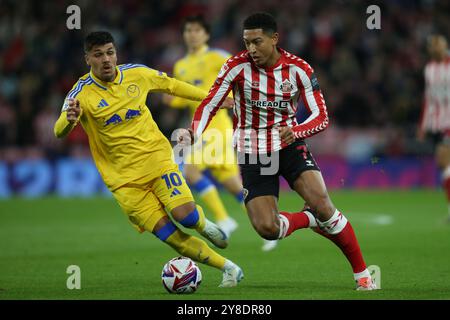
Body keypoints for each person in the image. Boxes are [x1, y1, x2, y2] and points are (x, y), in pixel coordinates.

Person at [182, 12, 377, 290]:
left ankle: (363, 275)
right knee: (268, 229)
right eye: (246, 42)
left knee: (325, 206)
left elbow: (321, 116)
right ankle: (309, 219)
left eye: (257, 42)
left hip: (289, 146)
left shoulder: (299, 69)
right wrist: (195, 132)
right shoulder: (235, 66)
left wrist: (296, 131)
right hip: (252, 152)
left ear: (274, 39)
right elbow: (210, 103)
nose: (251, 49)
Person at [53, 31, 243, 288]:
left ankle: (203, 223)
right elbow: (59, 131)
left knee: (185, 217)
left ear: (116, 53)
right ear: (88, 59)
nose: (106, 59)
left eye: (110, 52)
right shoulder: (81, 93)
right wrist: (70, 118)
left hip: (157, 161)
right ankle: (229, 268)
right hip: (124, 183)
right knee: (171, 237)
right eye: (98, 55)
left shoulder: (137, 74)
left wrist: (215, 100)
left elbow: (173, 86)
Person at [164, 15, 278, 251]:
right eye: (188, 30)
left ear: (206, 35)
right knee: (236, 187)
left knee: (191, 170)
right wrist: (171, 100)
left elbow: (242, 74)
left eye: (196, 30)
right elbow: (185, 98)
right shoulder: (180, 65)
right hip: (202, 127)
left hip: (216, 126)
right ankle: (271, 229)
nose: (191, 34)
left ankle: (224, 220)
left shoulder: (217, 57)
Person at [418, 34, 450, 221]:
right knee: (443, 164)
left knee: (444, 161)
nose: (435, 49)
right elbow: (428, 98)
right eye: (432, 46)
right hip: (437, 123)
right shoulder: (429, 69)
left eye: (438, 46)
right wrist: (422, 125)